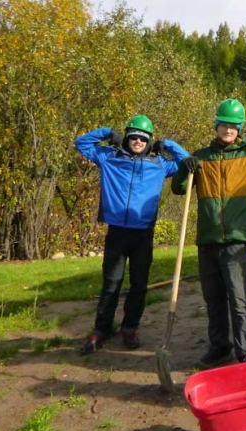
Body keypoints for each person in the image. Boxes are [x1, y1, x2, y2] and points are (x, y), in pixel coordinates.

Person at [172, 98, 246, 367]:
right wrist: (184, 167)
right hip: (208, 239)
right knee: (213, 300)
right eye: (225, 124)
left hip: (237, 241)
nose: (229, 130)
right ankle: (219, 347)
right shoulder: (201, 158)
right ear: (216, 125)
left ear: (240, 129)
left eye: (234, 126)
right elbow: (179, 189)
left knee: (238, 300)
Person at [75, 115, 189, 354]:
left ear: (149, 142)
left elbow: (186, 161)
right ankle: (102, 329)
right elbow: (81, 144)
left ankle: (130, 328)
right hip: (116, 232)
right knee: (111, 284)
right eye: (133, 136)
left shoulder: (159, 164)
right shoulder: (109, 157)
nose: (137, 141)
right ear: (126, 137)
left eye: (143, 138)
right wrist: (107, 132)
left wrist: (167, 144)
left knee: (139, 285)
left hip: (143, 234)